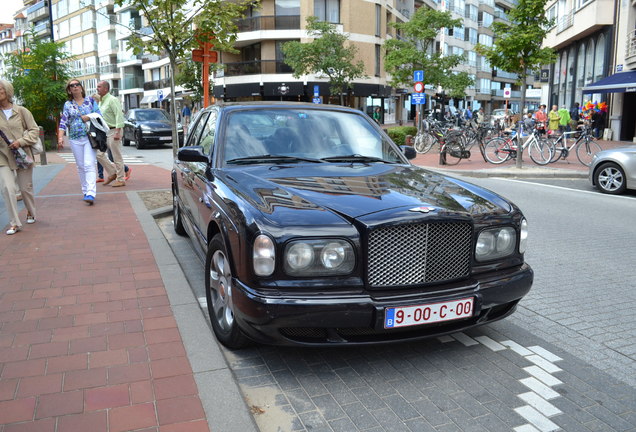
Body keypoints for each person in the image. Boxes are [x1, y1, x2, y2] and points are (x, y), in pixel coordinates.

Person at [0, 79, 39, 235]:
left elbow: (34, 130)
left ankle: (31, 211)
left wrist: (21, 141)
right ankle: (15, 222)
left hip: (22, 154)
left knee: (25, 188)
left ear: (6, 91)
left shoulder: (21, 111)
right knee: (7, 188)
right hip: (2, 156)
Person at [58, 80, 101, 205]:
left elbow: (99, 115)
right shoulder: (68, 104)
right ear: (69, 90)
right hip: (74, 138)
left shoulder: (90, 101)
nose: (75, 87)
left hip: (89, 137)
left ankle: (91, 193)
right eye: (72, 86)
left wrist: (89, 116)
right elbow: (63, 122)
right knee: (81, 166)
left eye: (77, 85)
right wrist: (60, 138)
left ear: (81, 88)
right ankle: (85, 191)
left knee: (89, 164)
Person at [93, 93, 130, 183]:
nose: (97, 88)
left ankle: (120, 179)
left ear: (105, 88)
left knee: (116, 157)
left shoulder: (112, 100)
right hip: (104, 131)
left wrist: (117, 132)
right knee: (99, 154)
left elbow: (119, 115)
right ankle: (113, 173)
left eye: (99, 86)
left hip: (113, 130)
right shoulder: (102, 102)